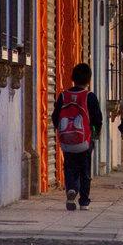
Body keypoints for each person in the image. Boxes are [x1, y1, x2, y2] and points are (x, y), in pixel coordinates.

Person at [53, 62, 99, 211]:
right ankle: (84, 201)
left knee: (70, 166)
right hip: (84, 140)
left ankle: (71, 189)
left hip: (67, 140)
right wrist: (95, 134)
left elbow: (55, 116)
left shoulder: (63, 95)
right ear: (89, 80)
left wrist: (61, 131)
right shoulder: (90, 97)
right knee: (85, 170)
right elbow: (98, 118)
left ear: (72, 78)